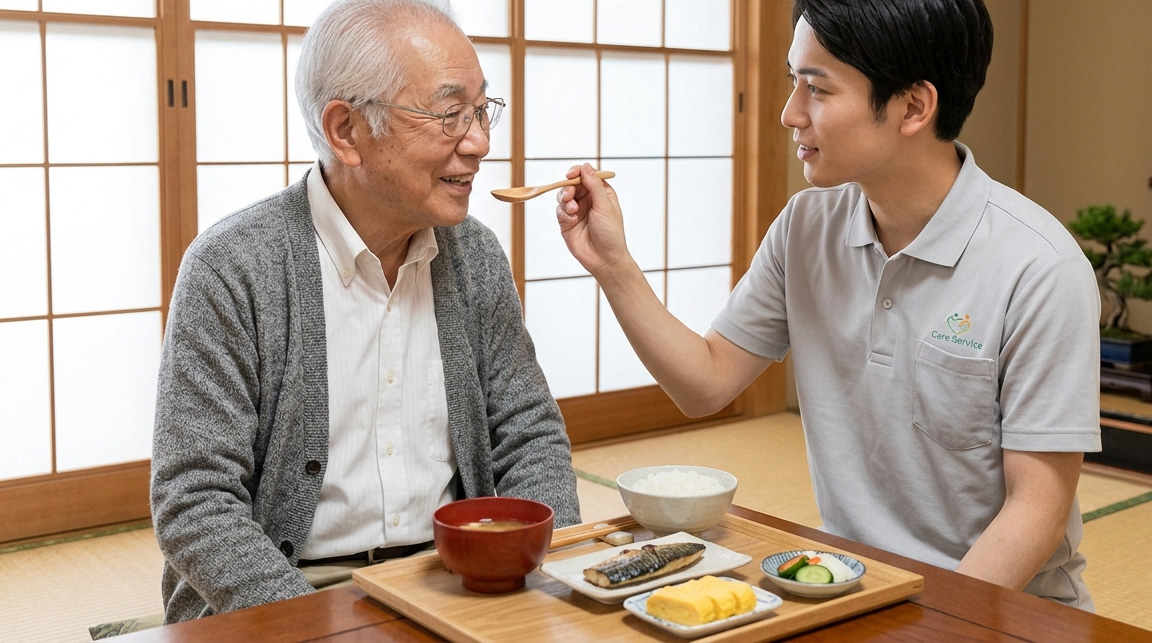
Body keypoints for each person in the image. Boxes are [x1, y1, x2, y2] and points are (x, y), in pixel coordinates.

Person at [556, 0, 1100, 609]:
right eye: (794, 82)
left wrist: (931, 620)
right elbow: (705, 384)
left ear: (913, 107)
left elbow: (1038, 507)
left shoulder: (1040, 267)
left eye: (816, 89)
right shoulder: (805, 227)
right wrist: (613, 266)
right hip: (854, 589)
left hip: (999, 610)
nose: (790, 114)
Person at [151, 0, 580, 624]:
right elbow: (194, 500)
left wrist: (538, 574)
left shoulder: (474, 254)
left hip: (454, 581)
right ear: (346, 131)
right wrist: (306, 624)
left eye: (482, 110)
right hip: (289, 595)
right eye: (449, 114)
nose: (480, 143)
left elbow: (530, 434)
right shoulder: (233, 265)